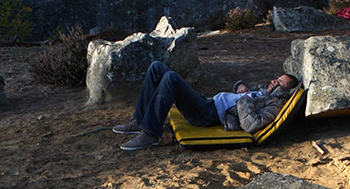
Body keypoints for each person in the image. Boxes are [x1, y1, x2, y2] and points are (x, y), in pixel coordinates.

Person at [113, 61, 300, 151]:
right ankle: (140, 120)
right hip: (208, 102)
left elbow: (251, 124)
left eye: (279, 82)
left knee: (170, 79)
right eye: (276, 78)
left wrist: (243, 99)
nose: (273, 81)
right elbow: (242, 90)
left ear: (285, 90)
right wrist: (240, 86)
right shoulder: (265, 92)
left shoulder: (275, 104)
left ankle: (150, 134)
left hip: (209, 116)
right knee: (156, 67)